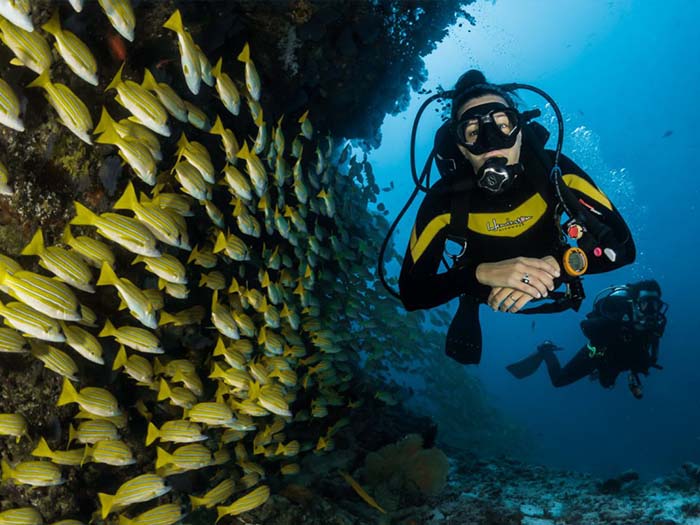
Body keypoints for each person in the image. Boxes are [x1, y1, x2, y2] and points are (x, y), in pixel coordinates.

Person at [397, 70, 636, 364]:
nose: (490, 141)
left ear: (520, 131)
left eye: (502, 124)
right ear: (460, 147)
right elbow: (412, 293)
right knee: (469, 290)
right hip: (481, 287)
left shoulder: (556, 172)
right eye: (472, 132)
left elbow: (624, 248)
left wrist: (560, 265)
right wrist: (477, 275)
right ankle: (470, 299)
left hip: (557, 270)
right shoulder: (443, 201)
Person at [506, 280, 668, 399]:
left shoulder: (655, 326)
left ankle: (602, 373)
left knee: (607, 384)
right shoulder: (617, 314)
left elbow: (649, 350)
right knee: (559, 381)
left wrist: (639, 368)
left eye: (656, 305)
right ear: (635, 303)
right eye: (647, 304)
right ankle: (546, 350)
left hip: (618, 359)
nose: (652, 311)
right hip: (597, 353)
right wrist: (615, 325)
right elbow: (586, 325)